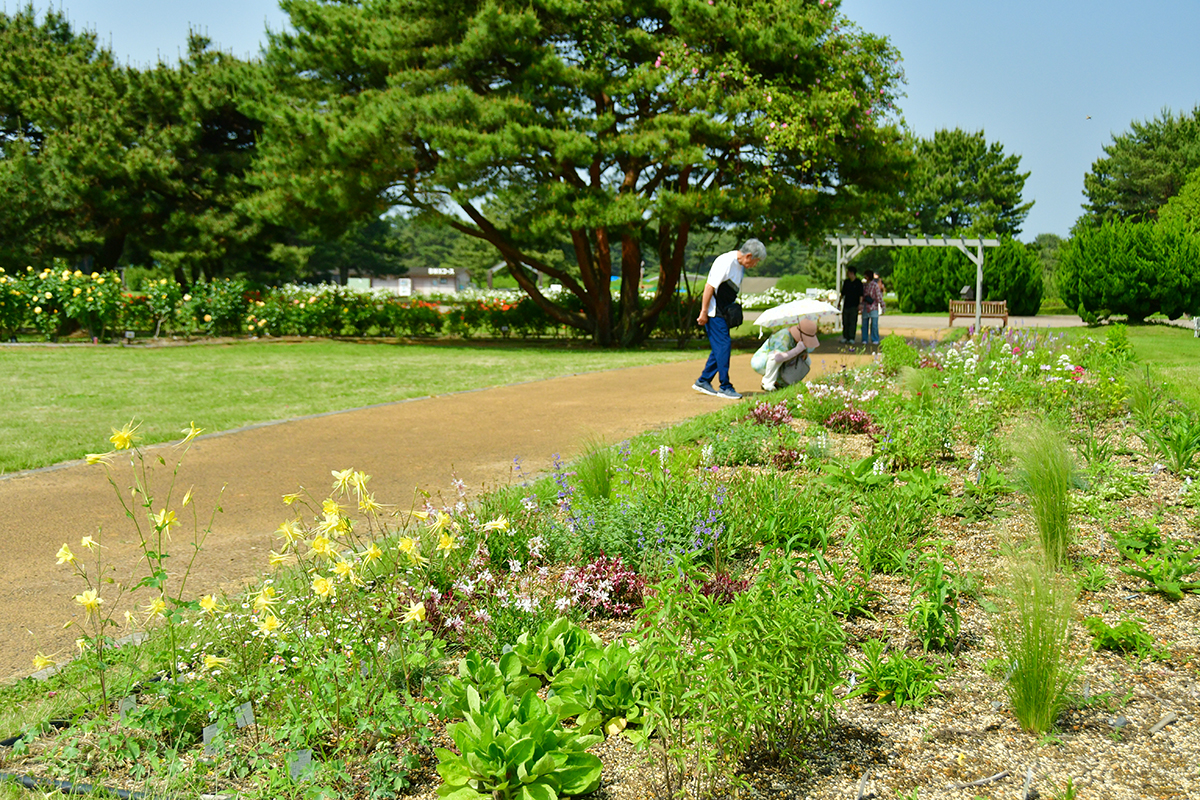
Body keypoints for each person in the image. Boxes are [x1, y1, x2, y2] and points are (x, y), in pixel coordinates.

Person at [693, 238, 765, 400]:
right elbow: (709, 286)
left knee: (720, 347)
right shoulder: (726, 261)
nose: (755, 265)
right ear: (748, 256)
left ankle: (703, 380)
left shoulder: (739, 266)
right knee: (724, 345)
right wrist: (704, 312)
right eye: (756, 261)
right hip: (714, 311)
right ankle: (725, 385)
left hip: (723, 311)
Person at [753, 319, 820, 391]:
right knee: (774, 357)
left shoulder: (797, 339)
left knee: (807, 361)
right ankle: (767, 383)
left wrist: (803, 352)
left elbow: (808, 350)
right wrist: (797, 350)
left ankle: (784, 382)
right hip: (761, 362)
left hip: (783, 361)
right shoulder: (784, 336)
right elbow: (778, 358)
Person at [838, 267, 863, 343]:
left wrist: (860, 304)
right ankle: (845, 337)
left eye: (848, 272)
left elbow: (861, 295)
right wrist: (839, 302)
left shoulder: (858, 283)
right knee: (845, 322)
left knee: (852, 322)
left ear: (852, 273)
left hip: (854, 305)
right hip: (846, 305)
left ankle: (851, 337)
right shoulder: (846, 282)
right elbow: (842, 293)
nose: (847, 274)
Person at [861, 270, 883, 345]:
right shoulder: (864, 285)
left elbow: (879, 296)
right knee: (864, 324)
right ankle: (864, 339)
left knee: (874, 324)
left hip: (873, 307)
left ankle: (875, 339)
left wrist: (882, 305)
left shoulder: (875, 285)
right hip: (865, 307)